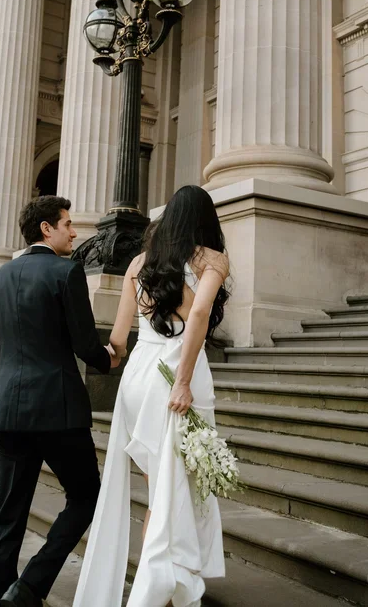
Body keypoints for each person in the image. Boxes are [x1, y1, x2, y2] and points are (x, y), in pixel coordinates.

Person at [73, 185, 230, 607]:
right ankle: (160, 584)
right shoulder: (211, 259)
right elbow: (197, 314)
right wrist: (182, 379)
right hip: (176, 371)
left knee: (159, 483)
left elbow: (119, 335)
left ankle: (161, 577)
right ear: (205, 218)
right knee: (176, 485)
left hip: (138, 374)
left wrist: (105, 355)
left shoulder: (140, 262)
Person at [0, 195, 119, 607]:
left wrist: (9, 392)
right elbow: (84, 342)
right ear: (47, 228)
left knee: (8, 519)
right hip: (58, 412)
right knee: (87, 496)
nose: (74, 232)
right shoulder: (66, 272)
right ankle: (29, 587)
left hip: (7, 412)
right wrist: (109, 357)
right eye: (68, 223)